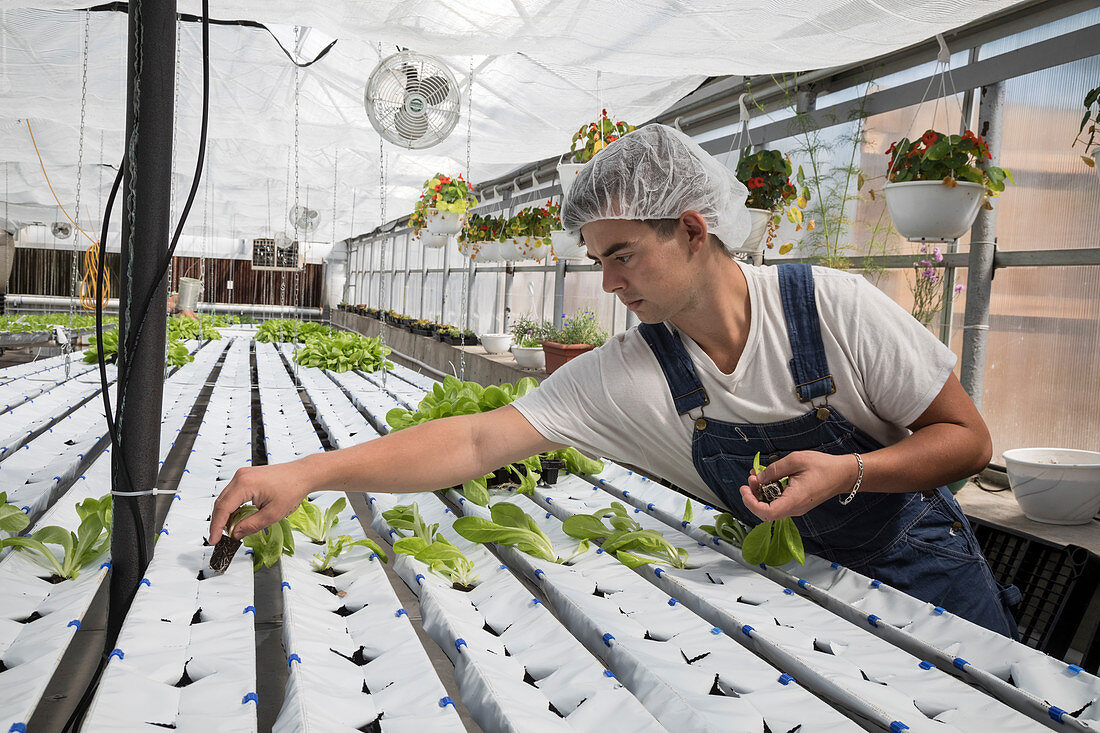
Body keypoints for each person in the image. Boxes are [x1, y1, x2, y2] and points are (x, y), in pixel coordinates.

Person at [209, 124, 1018, 637]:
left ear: (693, 230)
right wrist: (306, 474)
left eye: (622, 255)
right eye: (597, 261)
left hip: (926, 570)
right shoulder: (638, 368)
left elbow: (968, 442)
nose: (607, 284)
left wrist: (850, 471)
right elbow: (480, 436)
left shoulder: (828, 307)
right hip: (798, 580)